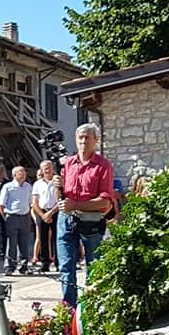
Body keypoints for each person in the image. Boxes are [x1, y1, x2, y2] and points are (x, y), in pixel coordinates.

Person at [54, 123, 114, 307]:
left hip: (91, 221)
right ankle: (69, 309)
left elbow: (105, 202)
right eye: (80, 137)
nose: (83, 141)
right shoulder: (68, 163)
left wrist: (76, 205)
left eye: (87, 137)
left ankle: (91, 307)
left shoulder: (103, 165)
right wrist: (58, 187)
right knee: (66, 267)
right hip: (66, 220)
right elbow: (61, 199)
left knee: (94, 267)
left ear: (96, 140)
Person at [0, 166, 34, 275]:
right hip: (12, 216)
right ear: (14, 175)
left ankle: (24, 266)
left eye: (24, 172)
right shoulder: (8, 187)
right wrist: (5, 217)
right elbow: (1, 204)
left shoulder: (28, 186)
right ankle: (10, 266)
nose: (24, 175)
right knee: (11, 242)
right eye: (21, 173)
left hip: (25, 216)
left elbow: (30, 202)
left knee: (24, 242)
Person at [31, 160, 59, 273]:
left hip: (55, 211)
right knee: (42, 238)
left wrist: (51, 213)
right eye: (45, 168)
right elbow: (34, 202)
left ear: (53, 168)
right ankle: (45, 263)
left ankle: (58, 262)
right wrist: (43, 215)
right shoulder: (37, 184)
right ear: (41, 170)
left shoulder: (57, 181)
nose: (47, 170)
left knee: (57, 238)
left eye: (49, 167)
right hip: (42, 212)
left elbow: (61, 199)